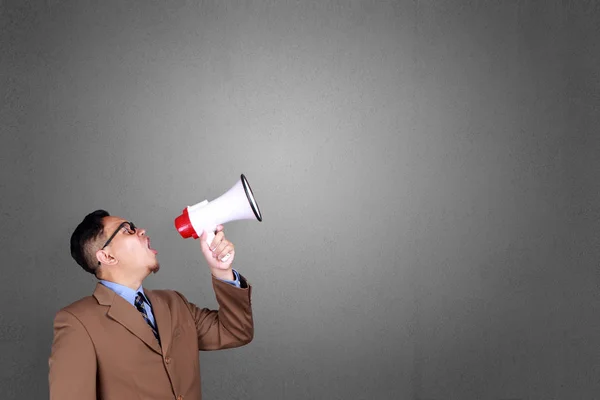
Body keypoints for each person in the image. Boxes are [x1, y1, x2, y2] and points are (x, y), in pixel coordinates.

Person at [48, 209, 253, 400]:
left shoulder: (174, 302)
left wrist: (222, 272)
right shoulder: (77, 323)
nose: (141, 230)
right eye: (127, 230)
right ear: (107, 256)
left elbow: (236, 331)